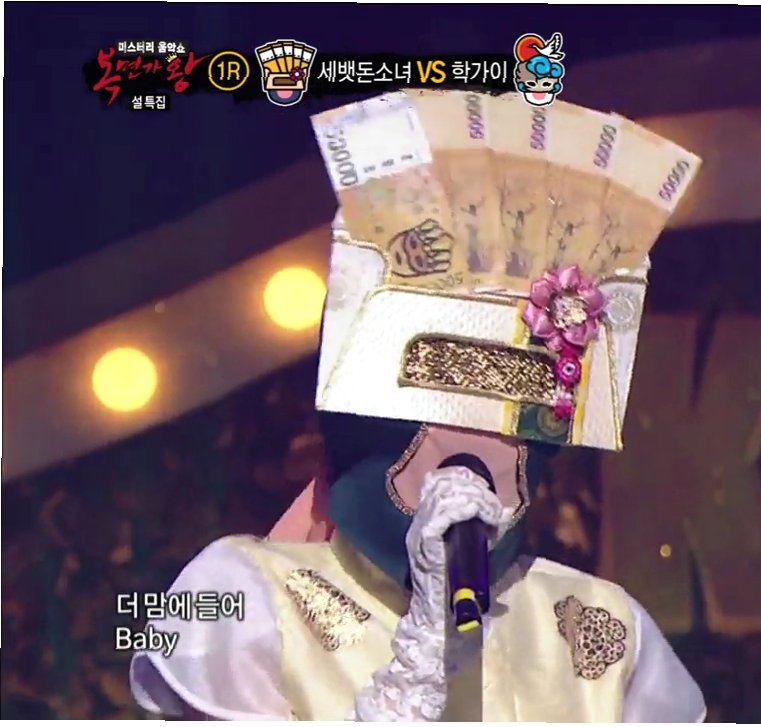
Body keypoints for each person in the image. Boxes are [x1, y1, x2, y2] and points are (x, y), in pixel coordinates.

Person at [128, 95, 705, 721]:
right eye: (442, 391)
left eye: (511, 406)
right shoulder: (243, 594)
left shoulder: (609, 629)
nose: (473, 452)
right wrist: (421, 664)